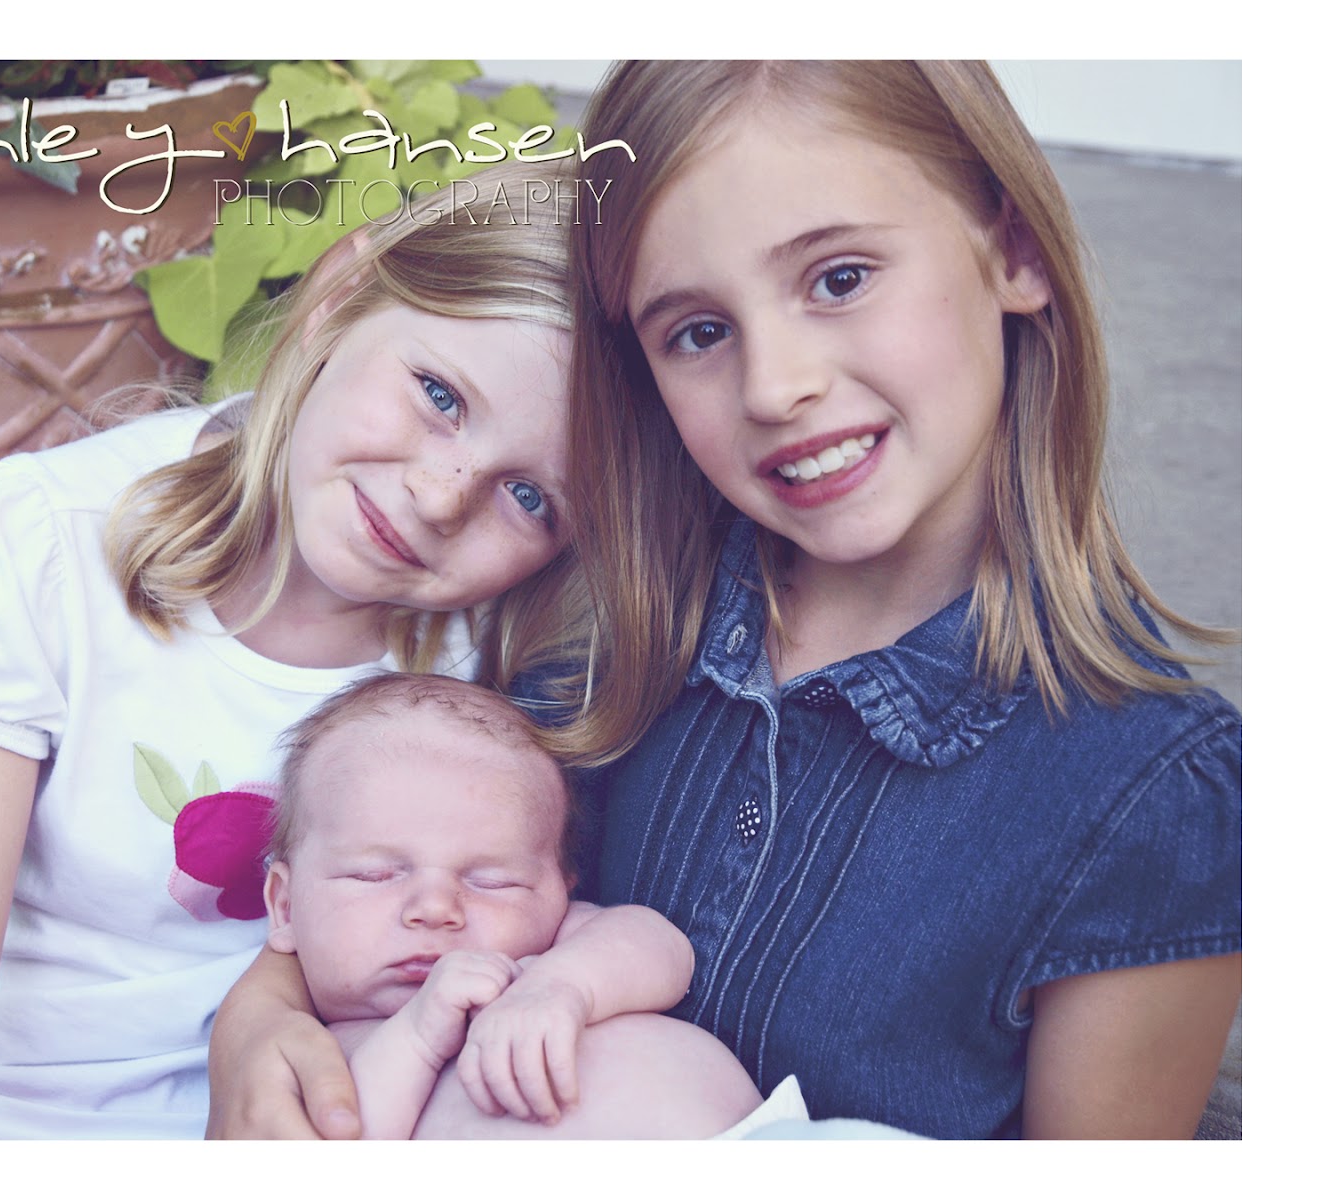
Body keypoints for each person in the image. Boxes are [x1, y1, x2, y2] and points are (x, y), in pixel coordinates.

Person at [207, 61, 1241, 1141]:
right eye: (697, 332)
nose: (774, 386)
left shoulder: (1151, 793)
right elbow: (395, 886)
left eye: (839, 278)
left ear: (1014, 249)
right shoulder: (593, 625)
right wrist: (261, 1012)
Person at [0, 160, 598, 1139]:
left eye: (529, 496)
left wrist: (267, 1008)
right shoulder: (53, 536)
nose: (440, 498)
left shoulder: (486, 652)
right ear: (341, 293)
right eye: (438, 393)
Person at [260, 670, 793, 1139]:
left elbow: (666, 951)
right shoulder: (312, 1056)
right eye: (374, 875)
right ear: (284, 908)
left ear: (562, 890)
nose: (435, 908)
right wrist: (419, 1036)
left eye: (493, 882)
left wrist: (561, 985)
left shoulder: (550, 949)